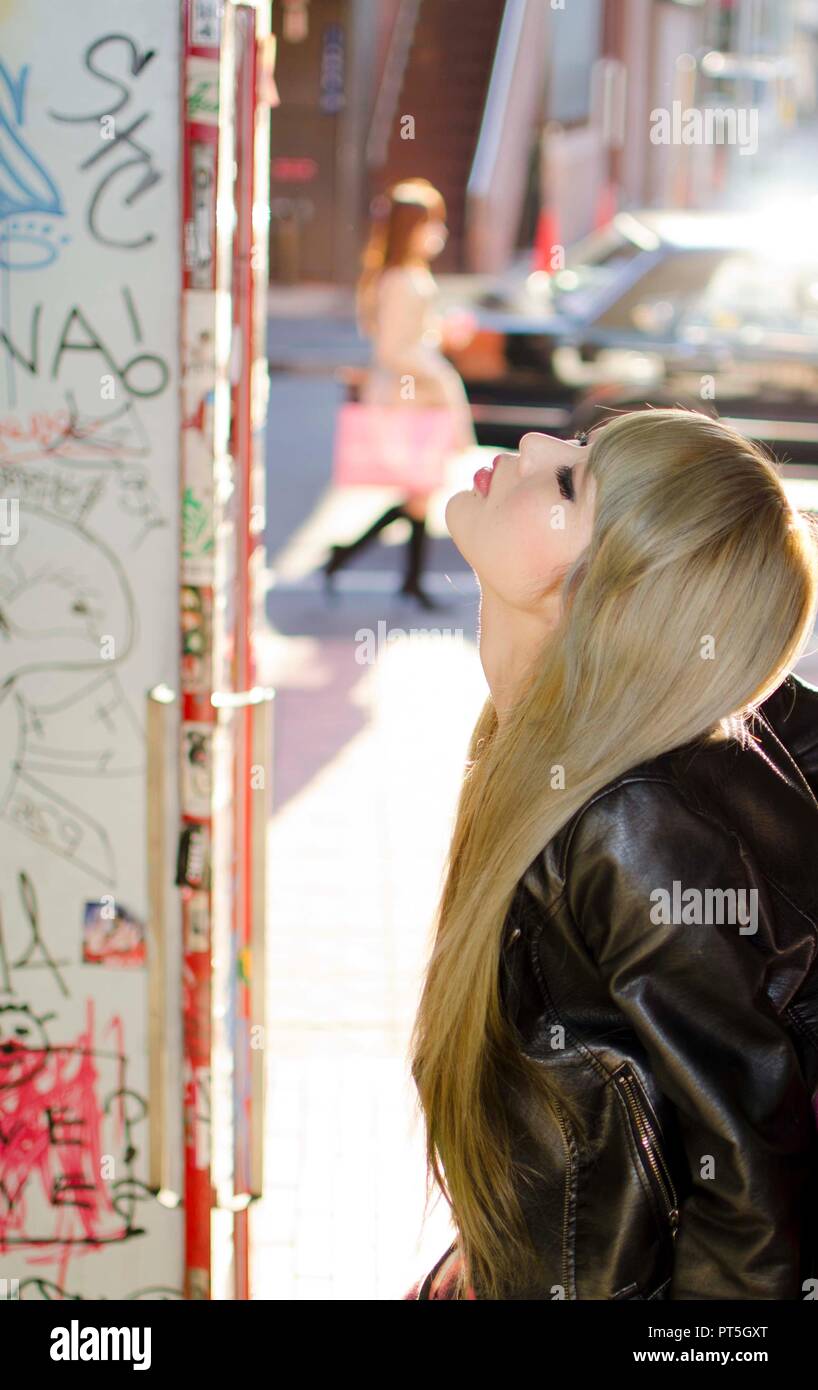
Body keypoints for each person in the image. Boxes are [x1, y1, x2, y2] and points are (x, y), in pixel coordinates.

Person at [403, 407, 818, 1300]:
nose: (536, 446)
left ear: (606, 598)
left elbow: (754, 1208)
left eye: (569, 480)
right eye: (576, 449)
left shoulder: (627, 828)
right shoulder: (538, 753)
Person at [322, 178, 476, 610]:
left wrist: (439, 337)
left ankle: (386, 573)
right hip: (407, 399)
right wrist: (439, 370)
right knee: (418, 492)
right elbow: (393, 349)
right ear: (413, 227)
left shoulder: (404, 275)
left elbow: (406, 339)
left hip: (415, 395)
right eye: (432, 223)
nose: (438, 233)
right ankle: (368, 566)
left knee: (418, 494)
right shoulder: (399, 279)